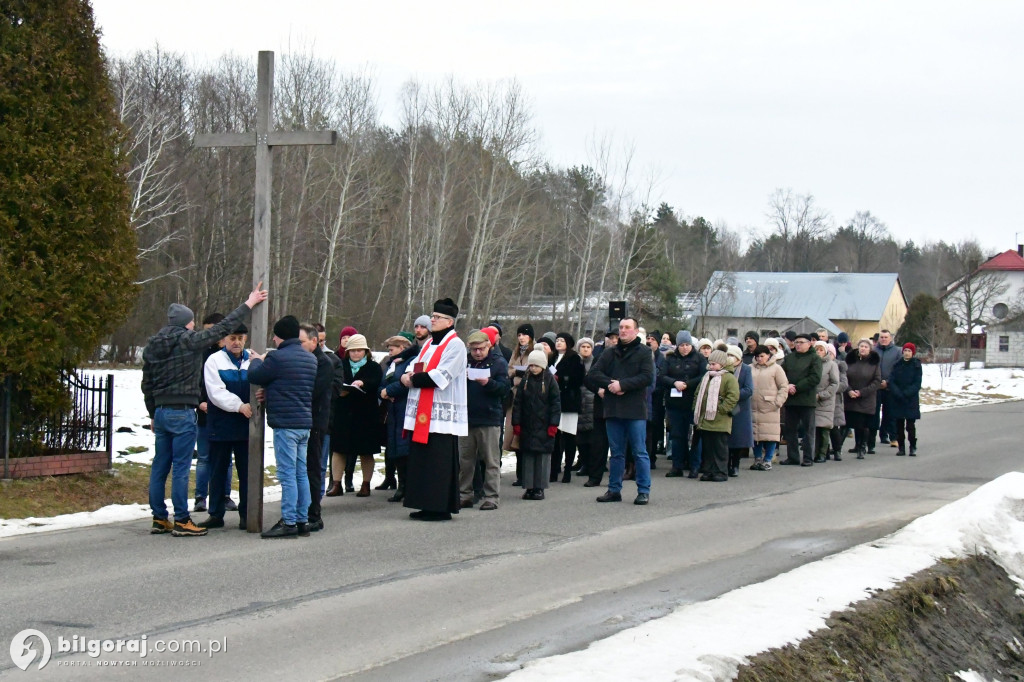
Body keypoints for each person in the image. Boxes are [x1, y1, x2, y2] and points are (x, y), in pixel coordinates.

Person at [142, 283, 266, 537]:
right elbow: (222, 327)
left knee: (160, 465)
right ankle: (182, 519)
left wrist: (153, 412)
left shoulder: (153, 345)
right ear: (187, 323)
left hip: (162, 411)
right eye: (192, 321)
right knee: (180, 466)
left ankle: (159, 517)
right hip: (182, 410)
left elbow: (147, 382)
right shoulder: (189, 340)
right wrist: (249, 303)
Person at [247, 315, 317, 538]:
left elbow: (255, 375)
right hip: (304, 423)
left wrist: (257, 359)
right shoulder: (310, 359)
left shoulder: (277, 359)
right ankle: (302, 520)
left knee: (287, 475)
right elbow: (289, 383)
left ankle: (288, 522)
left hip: (285, 424)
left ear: (278, 337)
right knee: (300, 473)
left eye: (275, 337)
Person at [401, 298, 467, 521]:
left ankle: (439, 506)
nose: (432, 320)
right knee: (422, 460)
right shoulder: (429, 343)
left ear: (449, 321)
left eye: (436, 317)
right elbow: (415, 365)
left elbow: (443, 374)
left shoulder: (456, 345)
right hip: (423, 411)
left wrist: (415, 378)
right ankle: (424, 503)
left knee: (438, 462)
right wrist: (405, 376)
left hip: (440, 415)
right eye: (432, 316)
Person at [584, 317, 654, 505]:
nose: (622, 331)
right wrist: (611, 385)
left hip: (635, 409)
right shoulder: (609, 353)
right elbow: (593, 374)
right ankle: (614, 489)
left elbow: (647, 377)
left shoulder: (645, 352)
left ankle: (643, 490)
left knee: (639, 451)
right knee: (616, 453)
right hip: (613, 408)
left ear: (635, 331)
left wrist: (624, 385)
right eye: (621, 327)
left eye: (627, 328)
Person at [198, 323, 251, 531]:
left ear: (245, 339)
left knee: (246, 472)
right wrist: (239, 406)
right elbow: (215, 392)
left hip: (246, 425)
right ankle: (216, 513)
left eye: (240, 338)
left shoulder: (252, 360)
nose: (236, 342)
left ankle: (247, 514)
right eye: (232, 338)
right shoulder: (214, 361)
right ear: (224, 340)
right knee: (218, 470)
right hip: (220, 423)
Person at [459, 330, 510, 509]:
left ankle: (491, 496)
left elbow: (505, 389)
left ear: (488, 346)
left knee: (491, 460)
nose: (478, 353)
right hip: (467, 418)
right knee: (465, 460)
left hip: (489, 418)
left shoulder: (498, 363)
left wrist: (488, 383)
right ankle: (464, 494)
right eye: (474, 350)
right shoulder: (464, 361)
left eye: (481, 349)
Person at [329, 334, 383, 498]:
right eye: (352, 351)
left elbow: (374, 382)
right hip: (343, 413)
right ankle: (336, 483)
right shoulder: (341, 365)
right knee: (339, 450)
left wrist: (363, 383)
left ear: (365, 351)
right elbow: (334, 382)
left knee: (366, 451)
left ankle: (366, 484)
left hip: (365, 415)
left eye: (359, 350)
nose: (355, 354)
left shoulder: (373, 366)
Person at [194, 312, 234, 514]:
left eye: (212, 331)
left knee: (226, 459)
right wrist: (200, 401)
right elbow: (196, 382)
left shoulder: (229, 355)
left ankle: (225, 495)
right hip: (205, 413)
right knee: (204, 457)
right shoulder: (200, 353)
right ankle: (200, 497)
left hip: (225, 415)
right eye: (206, 331)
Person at [512, 349, 560, 500]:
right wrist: (516, 422)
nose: (533, 368)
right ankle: (529, 486)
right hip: (527, 425)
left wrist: (553, 424)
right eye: (530, 365)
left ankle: (539, 487)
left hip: (545, 425)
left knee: (542, 458)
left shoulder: (550, 381)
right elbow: (518, 403)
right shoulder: (525, 380)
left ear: (543, 365)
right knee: (528, 457)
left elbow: (556, 404)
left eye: (536, 365)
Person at [301, 323, 333, 531]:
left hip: (315, 422)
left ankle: (314, 514)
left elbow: (312, 392)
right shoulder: (306, 360)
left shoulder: (324, 363)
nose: (298, 345)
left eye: (301, 342)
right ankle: (302, 509)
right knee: (301, 468)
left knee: (313, 467)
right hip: (303, 420)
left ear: (314, 341)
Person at [661, 331, 705, 477]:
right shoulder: (670, 358)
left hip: (693, 403)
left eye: (687, 345)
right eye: (682, 345)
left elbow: (704, 376)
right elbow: (662, 376)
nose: (685, 348)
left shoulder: (699, 358)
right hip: (675, 403)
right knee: (677, 436)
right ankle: (677, 465)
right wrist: (674, 383)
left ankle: (695, 466)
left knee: (694, 437)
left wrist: (688, 384)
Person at [380, 334, 418, 502]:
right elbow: (382, 384)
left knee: (405, 448)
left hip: (405, 409)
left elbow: (407, 383)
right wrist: (383, 393)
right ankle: (401, 484)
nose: (389, 352)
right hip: (392, 410)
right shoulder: (390, 365)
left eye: (392, 349)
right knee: (394, 448)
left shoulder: (410, 362)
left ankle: (408, 486)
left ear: (402, 348)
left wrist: (389, 391)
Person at [693, 349, 740, 482]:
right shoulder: (707, 376)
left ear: (722, 364)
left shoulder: (729, 378)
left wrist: (721, 409)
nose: (711, 366)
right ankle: (708, 471)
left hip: (720, 419)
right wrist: (696, 407)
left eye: (714, 364)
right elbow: (698, 393)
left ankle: (721, 471)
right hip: (705, 419)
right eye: (710, 363)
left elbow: (733, 396)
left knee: (719, 448)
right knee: (708, 448)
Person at [780, 333, 823, 467]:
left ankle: (808, 457)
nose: (798, 344)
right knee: (790, 430)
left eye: (801, 342)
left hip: (806, 400)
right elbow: (782, 374)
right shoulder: (789, 358)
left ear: (809, 344)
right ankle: (792, 457)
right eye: (796, 342)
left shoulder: (814, 358)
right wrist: (787, 386)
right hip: (791, 399)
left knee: (808, 430)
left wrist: (797, 387)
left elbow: (815, 378)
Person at [550, 332, 585, 483]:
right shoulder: (551, 357)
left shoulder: (575, 358)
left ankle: (568, 470)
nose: (558, 343)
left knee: (569, 436)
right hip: (555, 401)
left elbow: (578, 378)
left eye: (562, 341)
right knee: (555, 437)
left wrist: (562, 378)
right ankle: (554, 468)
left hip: (569, 401)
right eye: (557, 340)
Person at [750, 344, 788, 470]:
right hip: (753, 407)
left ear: (768, 355)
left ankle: (768, 459)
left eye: (762, 356)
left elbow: (784, 386)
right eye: (757, 356)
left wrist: (778, 402)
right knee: (755, 435)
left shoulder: (776, 369)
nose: (760, 359)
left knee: (770, 435)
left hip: (770, 407)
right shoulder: (750, 368)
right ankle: (757, 459)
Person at [506, 323, 534, 485]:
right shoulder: (516, 352)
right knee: (514, 436)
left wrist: (519, 372)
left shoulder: (535, 350)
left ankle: (527, 474)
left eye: (524, 334)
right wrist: (516, 372)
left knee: (525, 436)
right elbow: (509, 369)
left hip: (529, 395)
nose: (521, 337)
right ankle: (519, 475)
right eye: (519, 335)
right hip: (515, 396)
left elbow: (534, 370)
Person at [844, 339, 882, 458]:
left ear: (870, 349)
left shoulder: (874, 363)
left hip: (866, 398)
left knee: (862, 424)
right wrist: (849, 390)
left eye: (866, 346)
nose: (863, 348)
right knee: (852, 423)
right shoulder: (850, 360)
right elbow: (843, 377)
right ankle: (849, 446)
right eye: (861, 346)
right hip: (850, 397)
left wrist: (861, 392)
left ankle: (862, 447)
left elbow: (877, 381)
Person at [888, 343, 922, 457]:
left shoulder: (916, 365)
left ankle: (912, 446)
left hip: (910, 399)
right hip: (898, 399)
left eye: (909, 351)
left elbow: (917, 383)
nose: (907, 353)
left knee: (910, 425)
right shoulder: (897, 364)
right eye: (905, 350)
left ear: (913, 352)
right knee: (899, 425)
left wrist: (907, 393)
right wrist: (897, 393)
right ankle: (901, 447)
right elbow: (891, 380)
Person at [725, 345, 753, 477]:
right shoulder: (724, 369)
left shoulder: (746, 369)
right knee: (726, 438)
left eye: (732, 356)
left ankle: (735, 465)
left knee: (738, 438)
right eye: (728, 355)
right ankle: (725, 464)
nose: (730, 358)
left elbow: (748, 389)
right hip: (725, 407)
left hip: (740, 408)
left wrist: (733, 395)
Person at [872, 329, 901, 449]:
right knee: (874, 412)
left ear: (890, 339)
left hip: (890, 387)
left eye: (886, 337)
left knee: (889, 413)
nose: (884, 339)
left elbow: (898, 370)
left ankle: (891, 436)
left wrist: (888, 382)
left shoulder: (897, 351)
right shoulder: (874, 351)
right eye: (882, 337)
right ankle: (872, 438)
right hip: (875, 387)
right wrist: (877, 382)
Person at [812, 341, 840, 463]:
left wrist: (822, 395)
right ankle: (813, 453)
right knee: (813, 429)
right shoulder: (811, 363)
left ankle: (823, 453)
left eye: (821, 349)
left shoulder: (831, 365)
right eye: (816, 349)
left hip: (825, 401)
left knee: (824, 429)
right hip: (812, 399)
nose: (818, 352)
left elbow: (835, 383)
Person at [574, 337, 597, 479]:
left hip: (593, 401)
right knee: (580, 436)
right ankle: (583, 462)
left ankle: (591, 464)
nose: (586, 349)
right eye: (583, 347)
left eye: (588, 347)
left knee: (592, 436)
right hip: (578, 400)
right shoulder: (575, 363)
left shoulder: (596, 363)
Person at [829, 344, 850, 461]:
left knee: (834, 427)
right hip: (822, 399)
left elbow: (844, 384)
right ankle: (823, 451)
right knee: (822, 428)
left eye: (830, 353)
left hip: (835, 400)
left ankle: (837, 450)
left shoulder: (839, 366)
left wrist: (830, 390)